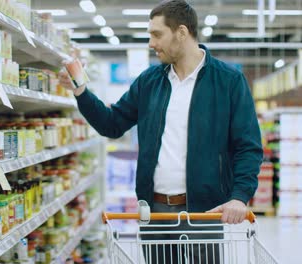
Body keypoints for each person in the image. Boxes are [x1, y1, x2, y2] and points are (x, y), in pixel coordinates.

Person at [59, 0, 263, 262]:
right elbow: (112, 124)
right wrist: (81, 91)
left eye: (157, 34)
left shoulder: (228, 81)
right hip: (154, 210)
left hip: (205, 208)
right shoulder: (150, 81)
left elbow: (248, 146)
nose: (151, 43)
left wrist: (239, 196)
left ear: (181, 32)